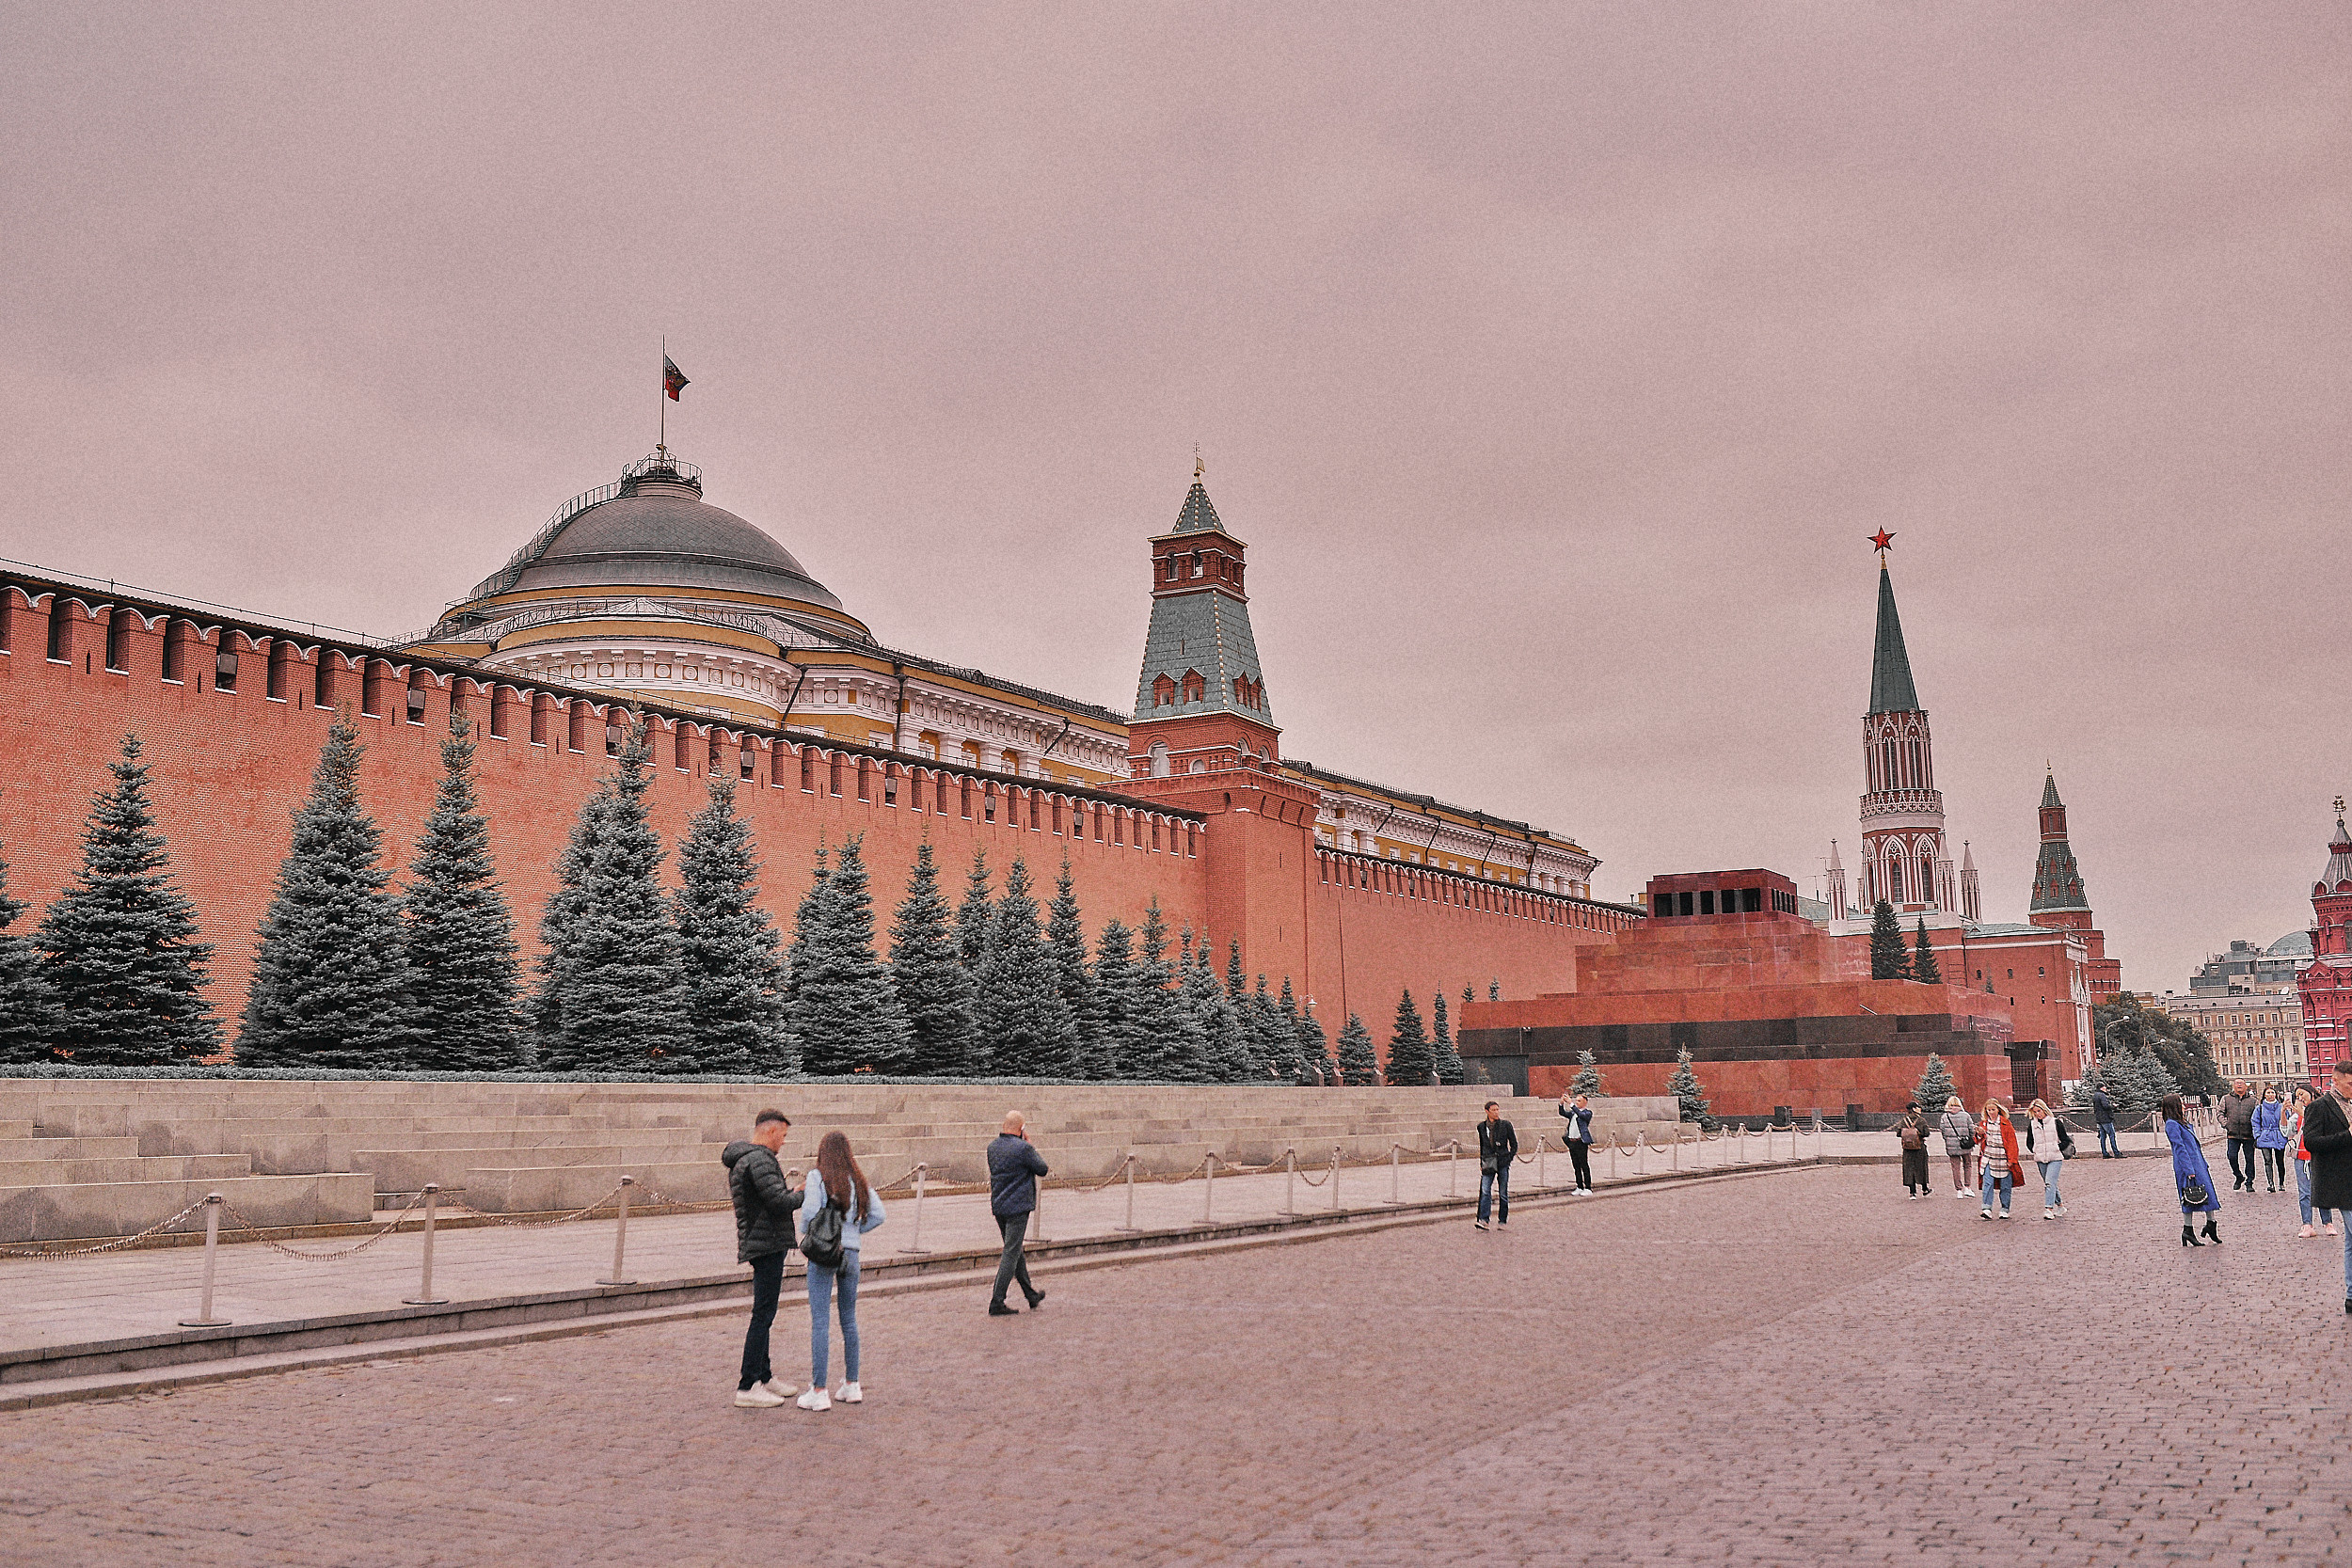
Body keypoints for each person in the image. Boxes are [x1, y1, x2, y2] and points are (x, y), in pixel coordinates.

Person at [795, 1130, 885, 1411]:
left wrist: (810, 1234)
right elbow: (879, 1214)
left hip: (824, 1254)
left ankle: (819, 1389)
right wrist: (855, 1232)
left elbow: (810, 1210)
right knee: (849, 1319)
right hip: (852, 1255)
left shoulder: (817, 1177)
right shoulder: (857, 1179)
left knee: (820, 1320)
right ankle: (852, 1384)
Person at [720, 1109, 802, 1408]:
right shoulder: (761, 1158)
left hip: (761, 1240)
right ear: (771, 1131)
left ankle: (764, 1377)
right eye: (783, 1135)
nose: (783, 1142)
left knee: (764, 1313)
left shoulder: (745, 1158)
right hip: (766, 1243)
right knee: (763, 1315)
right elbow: (779, 1202)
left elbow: (769, 1198)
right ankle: (747, 1385)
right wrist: (803, 1193)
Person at [987, 1111, 1049, 1317]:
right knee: (1011, 1252)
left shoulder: (992, 1147)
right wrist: (1030, 1145)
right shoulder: (1023, 1148)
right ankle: (997, 1301)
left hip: (999, 1206)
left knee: (1015, 1250)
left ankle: (1030, 1295)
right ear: (1021, 1129)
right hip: (1018, 1207)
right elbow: (1042, 1169)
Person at [2303, 1059, 2352, 1312]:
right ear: (2336, 1080)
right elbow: (2311, 1142)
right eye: (2351, 1083)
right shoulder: (2320, 1107)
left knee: (2351, 1243)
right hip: (2340, 1183)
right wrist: (2348, 1135)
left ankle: (2351, 1295)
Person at [2167, 1092, 2221, 1247]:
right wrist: (2188, 1169)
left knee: (2208, 1194)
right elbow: (2179, 1148)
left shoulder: (2182, 1122)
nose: (2184, 1106)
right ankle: (2188, 1229)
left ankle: (2211, 1224)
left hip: (2198, 1163)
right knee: (2190, 1197)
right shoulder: (2172, 1124)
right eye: (2181, 1103)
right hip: (2187, 1166)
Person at [2288, 1088, 2335, 1240]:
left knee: (2322, 1189)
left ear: (2311, 1093)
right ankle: (2307, 1224)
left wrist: (2303, 1113)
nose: (2300, 1098)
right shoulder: (2297, 1113)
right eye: (2297, 1096)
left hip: (2319, 1155)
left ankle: (2328, 1222)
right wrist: (2285, 1113)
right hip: (2301, 1154)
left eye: (2302, 1094)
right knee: (2304, 1192)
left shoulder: (2322, 1107)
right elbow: (2287, 1132)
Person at [2023, 1098, 2073, 1218]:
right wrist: (2035, 1150)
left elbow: (2066, 1140)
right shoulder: (2032, 1125)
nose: (2037, 1114)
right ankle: (2060, 1206)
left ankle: (2048, 1209)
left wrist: (2056, 1147)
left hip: (2055, 1157)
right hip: (2040, 1158)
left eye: (2039, 1111)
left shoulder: (2056, 1123)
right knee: (2049, 1183)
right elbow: (2029, 1142)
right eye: (2035, 1112)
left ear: (2044, 1110)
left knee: (2050, 1183)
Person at [1475, 1101, 1518, 1229]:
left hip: (1503, 1161)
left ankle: (1502, 1220)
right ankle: (1484, 1219)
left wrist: (1509, 1158)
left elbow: (1514, 1144)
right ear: (1487, 1111)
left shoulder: (1506, 1125)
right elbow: (1482, 1145)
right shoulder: (1481, 1127)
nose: (1496, 1112)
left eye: (1498, 1109)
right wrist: (1481, 1162)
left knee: (1503, 1192)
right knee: (1485, 1190)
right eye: (1493, 1110)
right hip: (1488, 1162)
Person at [1978, 1099, 2021, 1220]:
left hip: (2003, 1158)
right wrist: (1979, 1134)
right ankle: (1986, 1208)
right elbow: (1978, 1140)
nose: (1991, 1112)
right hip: (1988, 1158)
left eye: (1993, 1109)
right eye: (1988, 1110)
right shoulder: (1984, 1124)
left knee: (2005, 1185)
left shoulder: (2006, 1124)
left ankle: (2005, 1209)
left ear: (1998, 1110)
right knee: (1987, 1183)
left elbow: (2012, 1142)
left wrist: (2012, 1159)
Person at [2217, 1080, 2258, 1192]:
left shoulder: (2253, 1100)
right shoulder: (2226, 1099)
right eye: (2237, 1083)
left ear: (2246, 1086)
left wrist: (2255, 1129)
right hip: (2232, 1134)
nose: (2239, 1085)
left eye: (2242, 1083)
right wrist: (2226, 1124)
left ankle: (2249, 1182)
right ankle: (2238, 1176)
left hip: (2248, 1134)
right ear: (2233, 1086)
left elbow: (2257, 1116)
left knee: (2249, 1159)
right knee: (2232, 1156)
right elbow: (2220, 1112)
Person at [1938, 1095, 1976, 1198]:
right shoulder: (1965, 1115)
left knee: (1955, 1167)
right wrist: (1970, 1139)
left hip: (1951, 1145)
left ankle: (1959, 1190)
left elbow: (1943, 1132)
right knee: (1967, 1165)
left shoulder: (1945, 1117)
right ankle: (1967, 1187)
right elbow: (1972, 1129)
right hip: (1965, 1145)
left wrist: (1948, 1140)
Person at [1560, 1093, 1596, 1196]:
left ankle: (1588, 1187)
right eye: (1576, 1101)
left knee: (1584, 1164)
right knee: (1576, 1165)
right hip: (1572, 1141)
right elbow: (1562, 1113)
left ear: (1585, 1102)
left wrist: (1571, 1104)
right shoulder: (1573, 1113)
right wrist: (1561, 1103)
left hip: (1581, 1142)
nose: (1577, 1103)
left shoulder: (1587, 1113)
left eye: (1579, 1101)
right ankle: (1579, 1186)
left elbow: (1581, 1115)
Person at [1895, 1101, 1931, 1198]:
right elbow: (1927, 1133)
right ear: (1914, 1109)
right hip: (1919, 1147)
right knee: (1921, 1167)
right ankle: (1924, 1189)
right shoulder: (1921, 1120)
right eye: (1918, 1107)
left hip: (1907, 1148)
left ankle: (1912, 1192)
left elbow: (1898, 1133)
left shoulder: (1904, 1120)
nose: (1920, 1108)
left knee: (1909, 1168)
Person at [2253, 1087, 2286, 1194]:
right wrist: (2258, 1135)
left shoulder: (2281, 1107)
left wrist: (2285, 1134)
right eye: (2268, 1093)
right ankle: (2271, 1183)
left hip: (2278, 1135)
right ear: (2264, 1095)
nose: (2271, 1095)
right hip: (2265, 1136)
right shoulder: (2260, 1108)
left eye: (2273, 1092)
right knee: (2268, 1161)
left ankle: (2281, 1182)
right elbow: (2255, 1122)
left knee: (2280, 1161)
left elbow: (2287, 1120)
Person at [2091, 1084, 2120, 1158]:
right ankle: (2116, 1152)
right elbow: (2106, 1106)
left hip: (2099, 1118)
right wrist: (2113, 1106)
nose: (2105, 1088)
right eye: (2104, 1087)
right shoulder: (2102, 1095)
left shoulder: (2095, 1095)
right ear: (2101, 1088)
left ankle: (2104, 1153)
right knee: (2112, 1135)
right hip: (2106, 1118)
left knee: (2102, 1137)